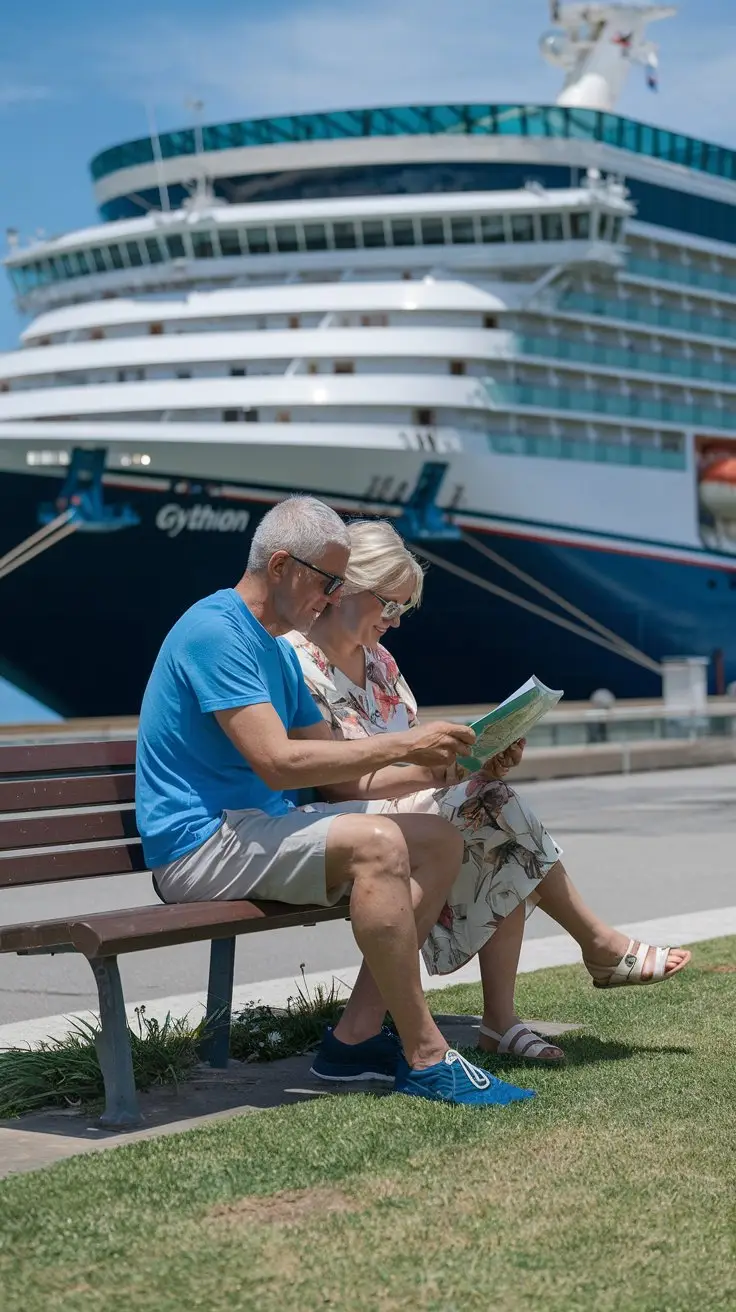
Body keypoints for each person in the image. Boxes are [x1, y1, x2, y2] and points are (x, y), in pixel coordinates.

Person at [135, 495, 534, 1107]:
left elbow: (350, 783)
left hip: (253, 829)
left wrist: (454, 764)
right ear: (281, 566)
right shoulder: (216, 632)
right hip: (198, 844)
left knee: (440, 840)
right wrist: (404, 741)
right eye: (329, 581)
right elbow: (277, 761)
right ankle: (427, 1055)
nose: (333, 595)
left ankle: (353, 1042)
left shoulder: (273, 649)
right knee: (378, 843)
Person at [286, 518, 692, 1066]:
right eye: (390, 605)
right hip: (347, 821)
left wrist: (475, 758)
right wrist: (448, 770)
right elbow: (340, 783)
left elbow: (412, 750)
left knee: (492, 810)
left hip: (404, 809)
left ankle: (516, 1009)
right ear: (351, 586)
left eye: (404, 609)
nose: (396, 622)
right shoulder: (296, 661)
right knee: (491, 812)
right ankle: (575, 962)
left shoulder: (380, 662)